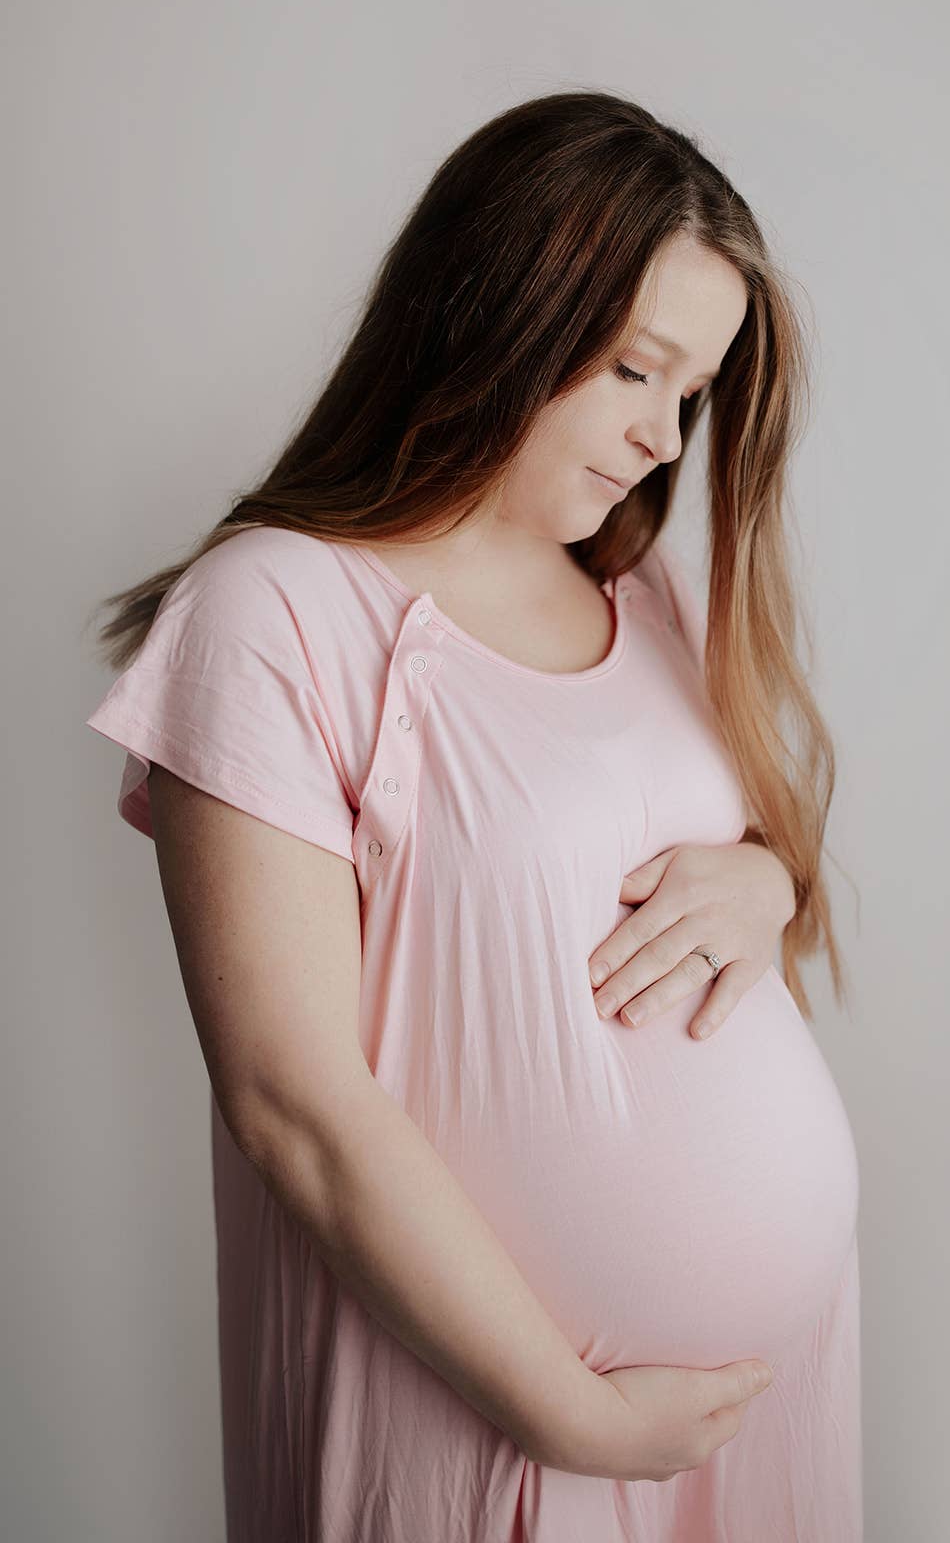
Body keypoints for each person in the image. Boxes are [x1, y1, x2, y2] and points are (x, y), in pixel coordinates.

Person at [85, 91, 862, 1541]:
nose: (658, 434)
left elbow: (729, 882)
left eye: (688, 394)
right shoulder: (276, 613)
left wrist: (770, 888)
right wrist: (571, 1418)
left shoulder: (652, 607)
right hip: (489, 1419)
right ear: (498, 306)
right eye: (637, 369)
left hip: (754, 1414)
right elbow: (290, 1106)